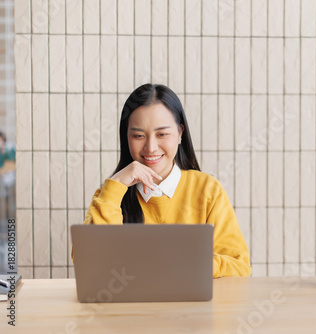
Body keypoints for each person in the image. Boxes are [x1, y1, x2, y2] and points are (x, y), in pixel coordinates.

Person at [83, 84, 251, 277]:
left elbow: (239, 267)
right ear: (126, 138)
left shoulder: (207, 190)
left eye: (162, 134)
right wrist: (115, 186)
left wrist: (183, 263)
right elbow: (90, 263)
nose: (151, 147)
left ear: (180, 133)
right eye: (138, 136)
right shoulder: (111, 194)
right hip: (130, 307)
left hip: (193, 306)